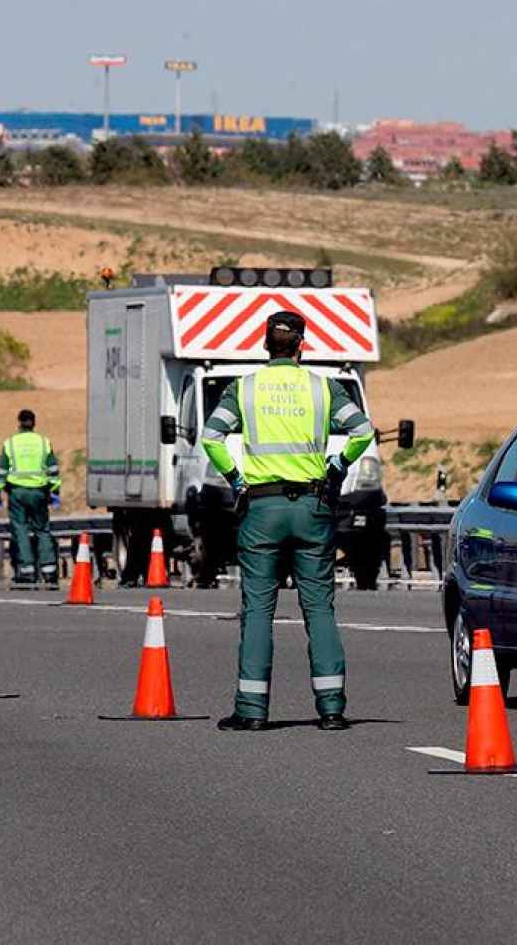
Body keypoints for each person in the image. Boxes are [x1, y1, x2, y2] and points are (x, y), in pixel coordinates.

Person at [198, 311, 375, 732]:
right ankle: (331, 708)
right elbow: (363, 431)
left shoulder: (243, 388)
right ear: (301, 345)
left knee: (258, 608)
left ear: (265, 345)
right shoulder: (322, 387)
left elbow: (211, 437)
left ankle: (252, 710)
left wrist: (236, 480)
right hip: (312, 507)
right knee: (319, 608)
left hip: (262, 508)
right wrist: (336, 466)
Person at [0, 408, 61, 588]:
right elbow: (53, 468)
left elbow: (2, 470)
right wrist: (55, 491)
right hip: (39, 491)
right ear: (34, 422)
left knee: (20, 529)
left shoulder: (11, 443)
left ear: (19, 422)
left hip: (17, 492)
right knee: (42, 530)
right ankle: (49, 569)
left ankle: (27, 569)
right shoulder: (43, 442)